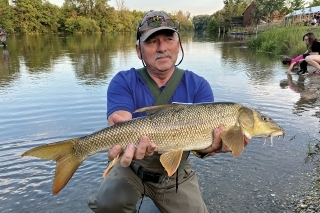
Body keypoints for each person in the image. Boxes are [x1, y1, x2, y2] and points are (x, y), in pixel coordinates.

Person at [87, 10, 250, 213]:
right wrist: (118, 131)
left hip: (176, 173)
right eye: (152, 41)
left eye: (168, 38)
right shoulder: (124, 80)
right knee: (107, 204)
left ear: (179, 44)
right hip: (131, 166)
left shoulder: (199, 86)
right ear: (139, 51)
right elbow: (120, 119)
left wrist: (214, 147)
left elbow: (203, 147)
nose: (162, 47)